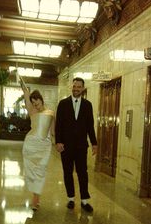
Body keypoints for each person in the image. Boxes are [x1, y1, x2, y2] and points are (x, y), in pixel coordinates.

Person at [55, 77, 97, 213]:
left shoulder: (87, 105)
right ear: (71, 87)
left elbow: (90, 126)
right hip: (65, 146)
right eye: (74, 86)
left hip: (81, 146)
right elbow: (58, 125)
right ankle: (71, 199)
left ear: (83, 89)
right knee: (67, 172)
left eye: (79, 87)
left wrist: (94, 143)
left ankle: (85, 201)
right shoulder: (63, 104)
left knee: (82, 173)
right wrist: (58, 142)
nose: (76, 89)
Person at [19, 76, 55, 210]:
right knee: (32, 172)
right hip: (31, 145)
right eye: (33, 104)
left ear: (41, 100)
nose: (35, 106)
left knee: (41, 170)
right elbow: (26, 93)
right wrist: (21, 81)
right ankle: (35, 199)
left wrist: (57, 143)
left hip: (44, 146)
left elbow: (52, 131)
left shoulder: (51, 113)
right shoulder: (32, 111)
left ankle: (36, 197)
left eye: (37, 103)